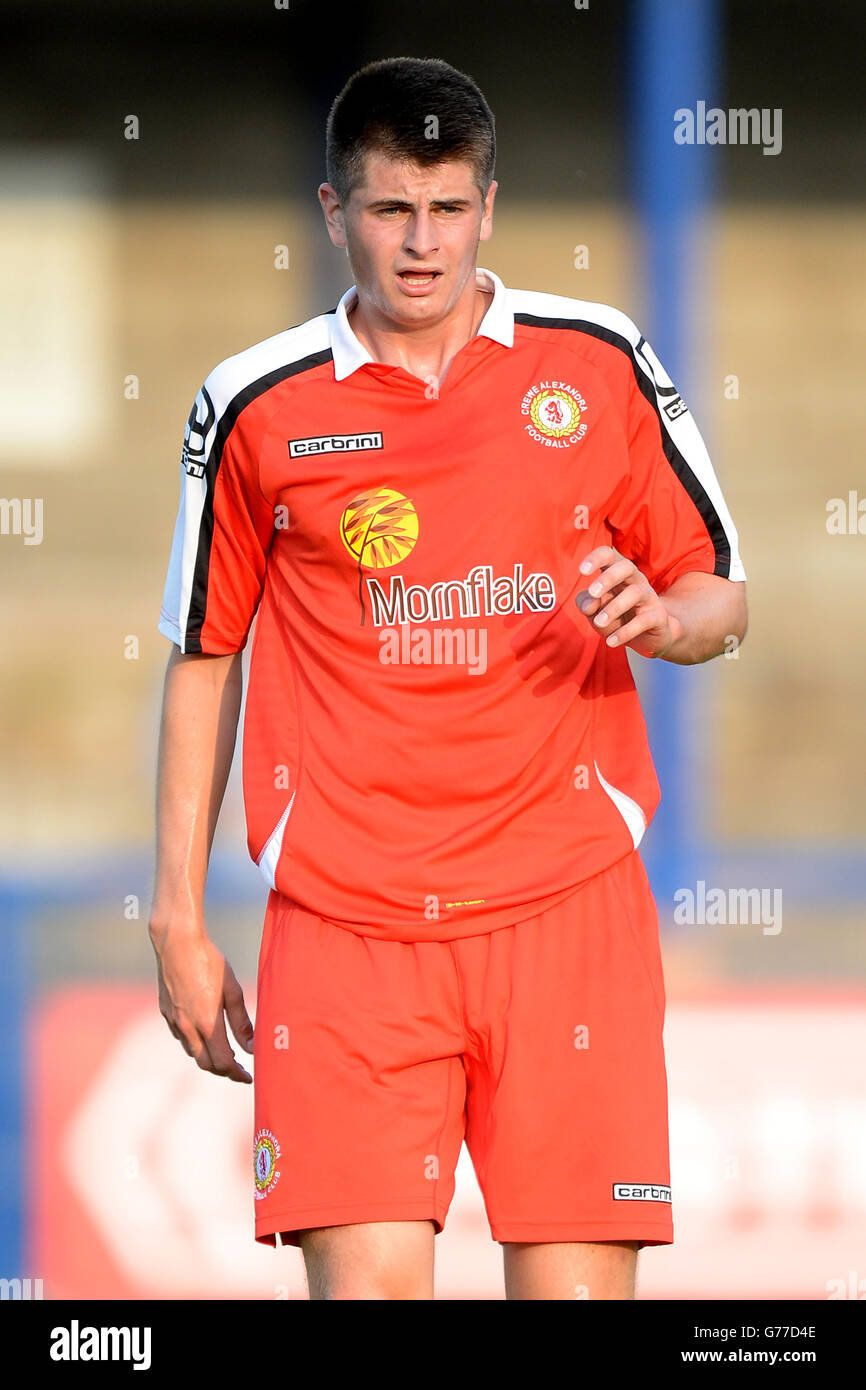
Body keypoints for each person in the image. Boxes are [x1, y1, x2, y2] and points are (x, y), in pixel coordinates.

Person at [150, 56, 747, 1300]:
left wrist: (664, 620)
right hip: (346, 924)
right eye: (387, 209)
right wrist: (177, 915)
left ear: (487, 208)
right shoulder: (254, 404)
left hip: (564, 911)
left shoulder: (596, 361)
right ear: (333, 211)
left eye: (446, 208)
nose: (419, 244)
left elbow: (719, 595)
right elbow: (205, 661)